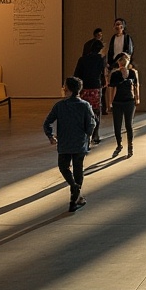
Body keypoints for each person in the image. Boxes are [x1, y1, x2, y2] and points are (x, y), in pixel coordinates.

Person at [44, 76, 97, 213]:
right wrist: (88, 135)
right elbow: (91, 123)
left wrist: (51, 136)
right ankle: (75, 195)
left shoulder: (60, 106)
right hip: (80, 143)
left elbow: (47, 122)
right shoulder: (85, 105)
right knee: (78, 169)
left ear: (67, 89)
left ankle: (74, 190)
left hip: (65, 143)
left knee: (64, 167)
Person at [73, 39, 107, 144]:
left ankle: (84, 134)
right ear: (100, 49)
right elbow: (103, 74)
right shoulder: (101, 59)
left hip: (84, 88)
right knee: (96, 111)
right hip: (95, 88)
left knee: (84, 111)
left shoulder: (82, 59)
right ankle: (95, 134)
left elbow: (76, 74)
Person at [106, 52, 139, 158]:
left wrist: (137, 97)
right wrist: (110, 102)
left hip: (129, 101)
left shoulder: (133, 73)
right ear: (119, 62)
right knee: (117, 124)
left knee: (129, 124)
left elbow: (136, 85)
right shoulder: (115, 74)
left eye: (125, 59)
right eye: (121, 60)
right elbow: (112, 88)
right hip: (118, 102)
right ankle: (119, 144)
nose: (123, 62)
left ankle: (130, 145)